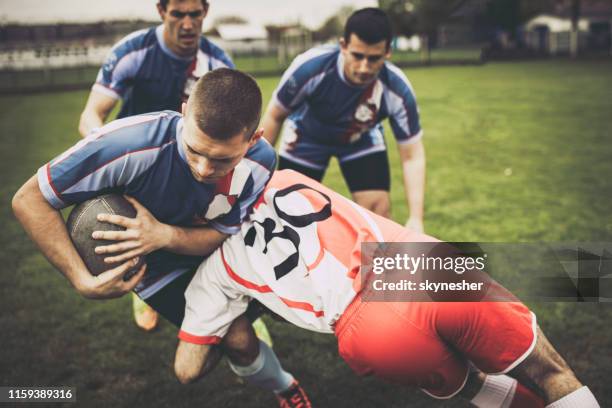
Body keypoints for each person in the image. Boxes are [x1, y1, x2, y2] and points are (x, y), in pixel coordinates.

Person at [174, 169, 600, 408]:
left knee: (474, 387)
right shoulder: (281, 176)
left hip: (367, 332)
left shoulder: (215, 270)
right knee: (551, 373)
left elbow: (187, 370)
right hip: (413, 262)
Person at [12, 69, 310, 408]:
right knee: (195, 368)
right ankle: (249, 313)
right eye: (195, 151)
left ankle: (286, 387)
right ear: (184, 114)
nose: (203, 168)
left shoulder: (262, 162)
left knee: (241, 341)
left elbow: (222, 235)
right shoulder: (126, 145)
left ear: (253, 139)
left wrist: (163, 235)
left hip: (218, 255)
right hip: (157, 271)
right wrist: (81, 279)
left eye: (222, 159)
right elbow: (29, 199)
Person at [78, 0, 236, 330]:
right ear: (161, 11)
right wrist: (111, 153)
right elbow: (91, 115)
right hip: (138, 163)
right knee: (146, 234)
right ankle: (145, 286)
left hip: (191, 161)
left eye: (195, 14)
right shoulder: (132, 51)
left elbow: (243, 124)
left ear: (206, 11)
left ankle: (235, 308)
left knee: (217, 232)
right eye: (179, 14)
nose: (189, 23)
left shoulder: (218, 62)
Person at [261, 8, 426, 232]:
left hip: (360, 138)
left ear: (388, 51)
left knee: (378, 212)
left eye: (374, 58)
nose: (364, 67)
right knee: (291, 216)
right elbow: (274, 116)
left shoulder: (396, 89)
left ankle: (374, 268)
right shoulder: (310, 67)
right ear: (343, 46)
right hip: (306, 138)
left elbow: (412, 155)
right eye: (357, 56)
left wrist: (416, 218)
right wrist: (256, 174)